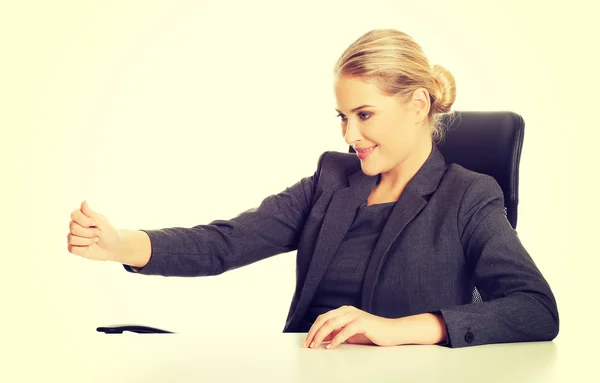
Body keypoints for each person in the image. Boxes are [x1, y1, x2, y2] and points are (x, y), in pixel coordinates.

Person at [67, 29, 559, 349]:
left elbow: (535, 309)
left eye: (365, 115)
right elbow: (227, 242)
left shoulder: (467, 196)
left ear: (416, 105)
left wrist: (397, 331)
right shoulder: (332, 181)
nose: (349, 136)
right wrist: (121, 245)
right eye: (343, 117)